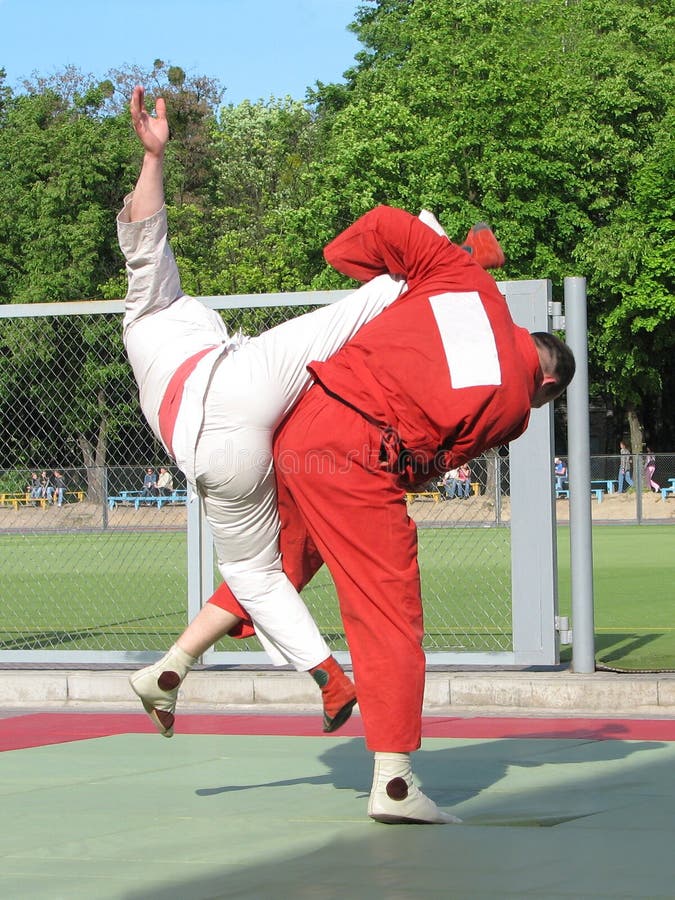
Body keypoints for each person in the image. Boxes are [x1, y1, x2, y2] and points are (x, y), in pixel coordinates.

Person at [147, 204, 575, 826]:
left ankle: (173, 664)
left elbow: (360, 239)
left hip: (301, 422)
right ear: (548, 385)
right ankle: (395, 784)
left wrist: (420, 262)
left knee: (283, 558)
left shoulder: (466, 278)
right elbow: (425, 465)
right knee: (387, 611)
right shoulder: (516, 408)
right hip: (358, 457)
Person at [123, 86, 505, 741]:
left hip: (212, 456)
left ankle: (327, 676)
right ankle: (448, 258)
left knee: (254, 573)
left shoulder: (154, 315)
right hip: (234, 386)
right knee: (342, 320)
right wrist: (153, 159)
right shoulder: (146, 303)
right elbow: (142, 225)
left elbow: (146, 233)